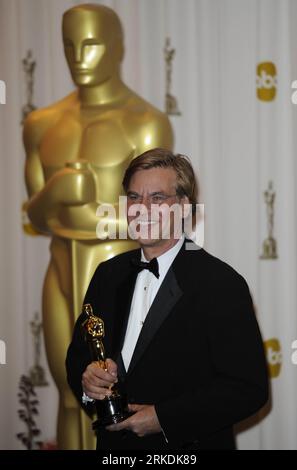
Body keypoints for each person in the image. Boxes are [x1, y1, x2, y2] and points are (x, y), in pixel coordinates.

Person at [23, 4, 173, 449]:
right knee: (71, 394)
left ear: (117, 47)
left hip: (118, 272)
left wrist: (85, 209)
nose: (78, 56)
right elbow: (34, 216)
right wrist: (58, 191)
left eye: (91, 44)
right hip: (60, 270)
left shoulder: (145, 122)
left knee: (121, 398)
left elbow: (157, 213)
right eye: (69, 45)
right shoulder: (41, 124)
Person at [66, 148, 268, 450]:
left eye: (157, 198)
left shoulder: (221, 284)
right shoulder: (108, 274)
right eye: (134, 198)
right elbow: (79, 356)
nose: (142, 209)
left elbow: (247, 388)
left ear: (184, 207)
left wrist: (164, 417)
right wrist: (87, 381)